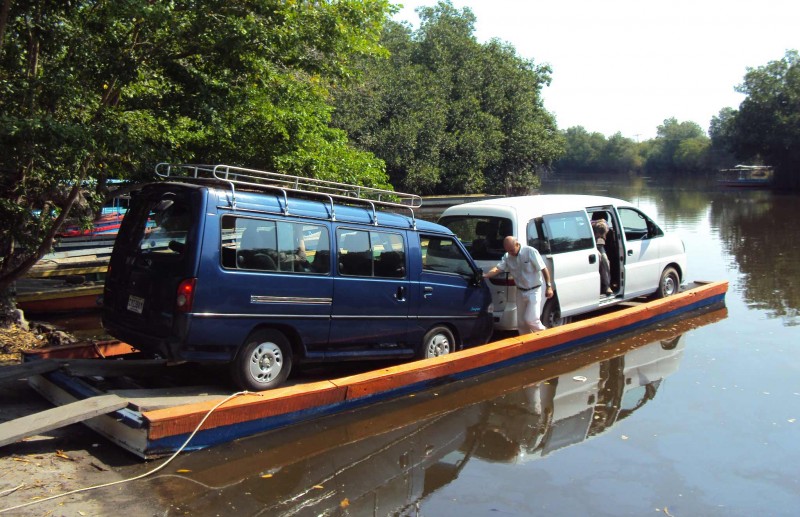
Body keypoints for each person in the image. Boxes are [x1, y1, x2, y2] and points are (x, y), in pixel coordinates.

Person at [483, 236, 554, 334]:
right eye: (508, 251)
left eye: (512, 250)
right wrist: (486, 275)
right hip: (520, 291)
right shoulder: (507, 256)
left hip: (534, 290)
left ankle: (546, 335)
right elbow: (498, 269)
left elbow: (543, 268)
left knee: (531, 319)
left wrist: (549, 286)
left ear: (517, 244)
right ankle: (527, 345)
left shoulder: (530, 251)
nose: (511, 253)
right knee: (521, 323)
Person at [592, 218, 613, 295]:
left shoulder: (605, 226)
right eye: (598, 235)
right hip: (590, 244)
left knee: (605, 260)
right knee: (598, 256)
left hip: (599, 244)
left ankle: (607, 285)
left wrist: (601, 237)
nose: (600, 236)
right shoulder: (589, 226)